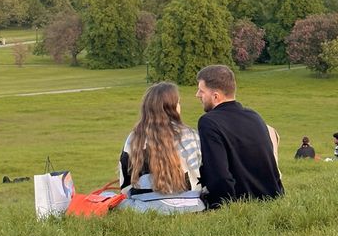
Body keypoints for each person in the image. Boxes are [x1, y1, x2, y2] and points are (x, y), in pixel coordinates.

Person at [196, 65, 284, 209]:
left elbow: (219, 175)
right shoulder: (254, 116)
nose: (197, 95)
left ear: (216, 96)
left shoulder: (209, 122)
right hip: (272, 198)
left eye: (201, 90)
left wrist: (221, 206)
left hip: (239, 204)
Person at [119, 82, 203, 212]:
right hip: (192, 205)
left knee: (109, 199)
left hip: (144, 207)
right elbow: (200, 174)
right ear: (172, 107)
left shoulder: (134, 138)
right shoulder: (191, 135)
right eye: (178, 103)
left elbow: (125, 184)